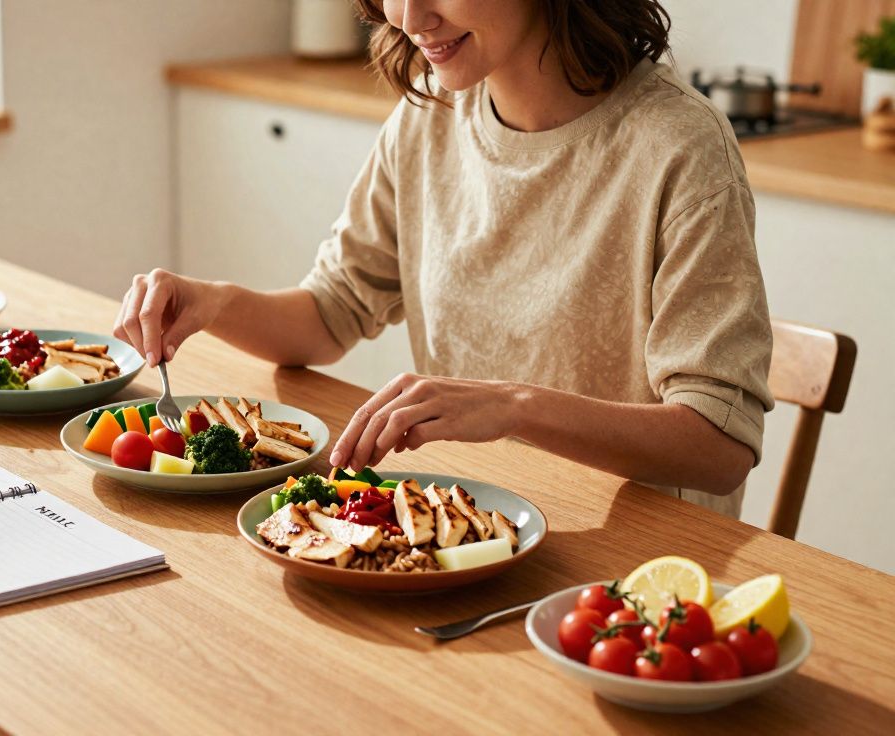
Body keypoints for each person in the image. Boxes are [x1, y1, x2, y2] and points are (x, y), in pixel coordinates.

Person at [113, 0, 773, 517]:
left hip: (632, 569)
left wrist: (514, 406)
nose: (408, 15)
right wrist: (215, 302)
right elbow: (332, 312)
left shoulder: (680, 147)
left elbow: (719, 447)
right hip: (470, 522)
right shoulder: (430, 111)